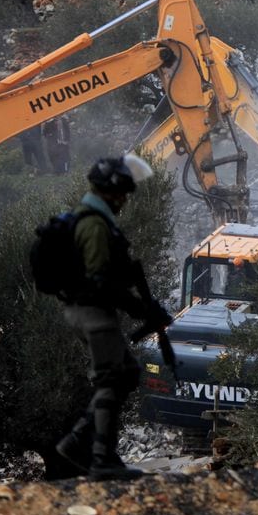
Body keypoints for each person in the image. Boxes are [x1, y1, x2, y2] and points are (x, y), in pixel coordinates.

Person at [53, 154, 173, 480]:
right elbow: (100, 282)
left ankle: (84, 444)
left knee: (129, 372)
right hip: (91, 311)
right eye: (122, 194)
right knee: (112, 378)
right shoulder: (93, 224)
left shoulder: (96, 218)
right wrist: (142, 310)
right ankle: (98, 457)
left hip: (92, 309)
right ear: (111, 191)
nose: (124, 200)